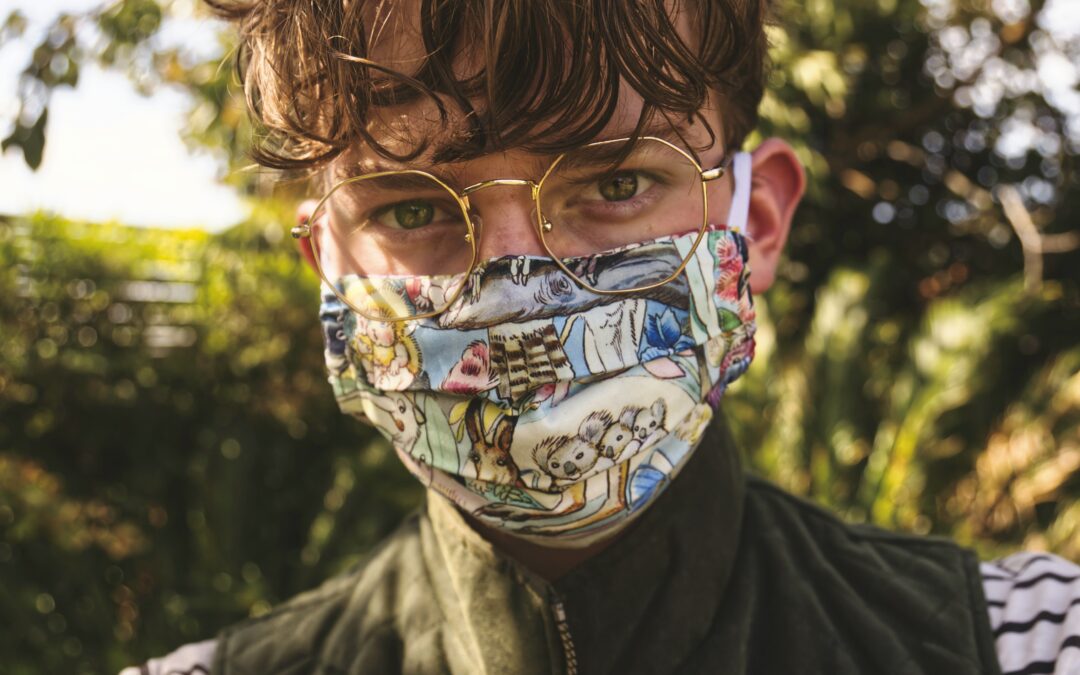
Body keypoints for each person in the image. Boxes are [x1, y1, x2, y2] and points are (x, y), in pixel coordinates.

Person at [122, 1, 1080, 673]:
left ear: (758, 223)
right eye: (414, 206)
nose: (510, 277)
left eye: (616, 184)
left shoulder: (1022, 643)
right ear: (326, 265)